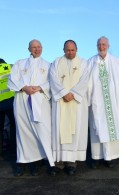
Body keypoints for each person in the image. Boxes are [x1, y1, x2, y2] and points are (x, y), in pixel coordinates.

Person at [7, 39, 54, 176]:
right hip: (22, 100)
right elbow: (12, 79)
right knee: (23, 131)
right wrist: (24, 87)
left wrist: (40, 87)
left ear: (42, 48)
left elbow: (52, 83)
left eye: (39, 47)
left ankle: (40, 161)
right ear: (29, 49)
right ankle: (23, 161)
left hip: (40, 101)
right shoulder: (19, 63)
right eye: (34, 47)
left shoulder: (48, 65)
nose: (36, 49)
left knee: (42, 130)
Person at [88, 36, 119, 168]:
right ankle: (97, 157)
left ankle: (110, 158)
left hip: (113, 103)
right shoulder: (90, 62)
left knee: (112, 128)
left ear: (108, 45)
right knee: (97, 130)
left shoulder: (117, 62)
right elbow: (87, 82)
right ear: (96, 46)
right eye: (99, 44)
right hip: (97, 102)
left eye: (104, 44)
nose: (102, 47)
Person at [49, 40, 89, 176]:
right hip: (61, 102)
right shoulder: (56, 62)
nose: (70, 52)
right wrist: (63, 93)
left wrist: (74, 94)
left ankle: (71, 162)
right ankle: (58, 163)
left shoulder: (84, 63)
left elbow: (85, 80)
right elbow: (52, 79)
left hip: (76, 103)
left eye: (72, 50)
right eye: (67, 50)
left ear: (77, 49)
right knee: (59, 132)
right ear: (63, 50)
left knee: (75, 132)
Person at [0, 58, 16, 156]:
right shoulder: (11, 66)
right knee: (14, 126)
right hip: (12, 102)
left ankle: (1, 151)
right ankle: (14, 150)